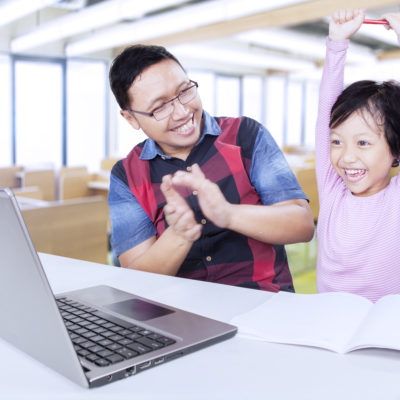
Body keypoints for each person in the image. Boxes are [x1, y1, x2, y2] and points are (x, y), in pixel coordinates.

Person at [108, 44, 315, 293]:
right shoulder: (126, 175)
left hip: (263, 303)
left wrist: (228, 214)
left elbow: (302, 225)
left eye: (184, 91)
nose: (182, 112)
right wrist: (179, 235)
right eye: (160, 107)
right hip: (181, 314)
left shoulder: (246, 136)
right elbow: (135, 282)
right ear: (131, 118)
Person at [316, 9, 400, 301]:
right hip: (330, 328)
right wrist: (336, 42)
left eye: (363, 143)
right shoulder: (332, 188)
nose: (346, 157)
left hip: (385, 332)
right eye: (337, 142)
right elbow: (327, 110)